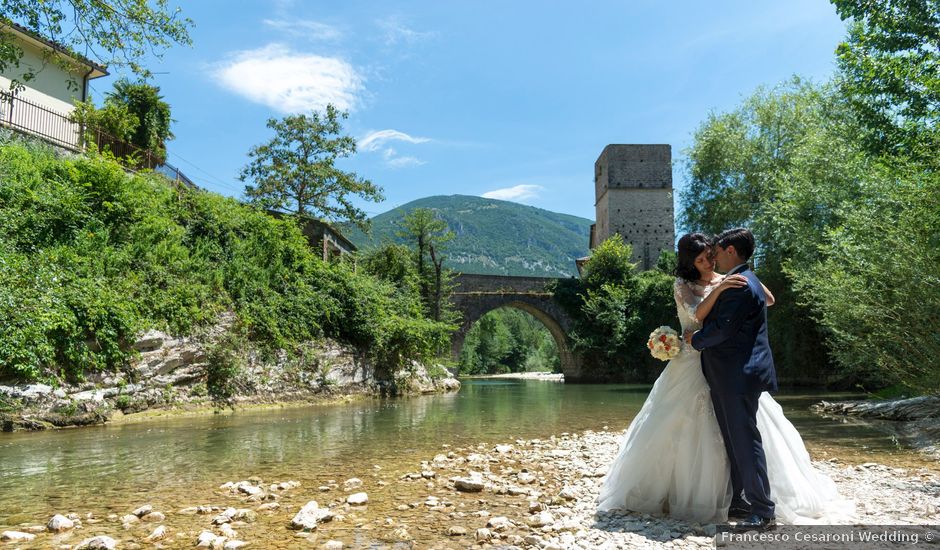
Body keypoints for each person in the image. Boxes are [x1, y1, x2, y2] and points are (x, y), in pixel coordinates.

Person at [596, 231, 852, 527]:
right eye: (702, 258)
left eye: (711, 255)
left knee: (739, 435)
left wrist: (744, 276)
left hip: (725, 365)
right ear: (690, 261)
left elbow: (766, 300)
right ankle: (725, 498)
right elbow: (695, 312)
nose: (709, 262)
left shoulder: (732, 279)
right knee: (709, 430)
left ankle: (750, 503)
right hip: (696, 362)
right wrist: (721, 287)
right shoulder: (686, 283)